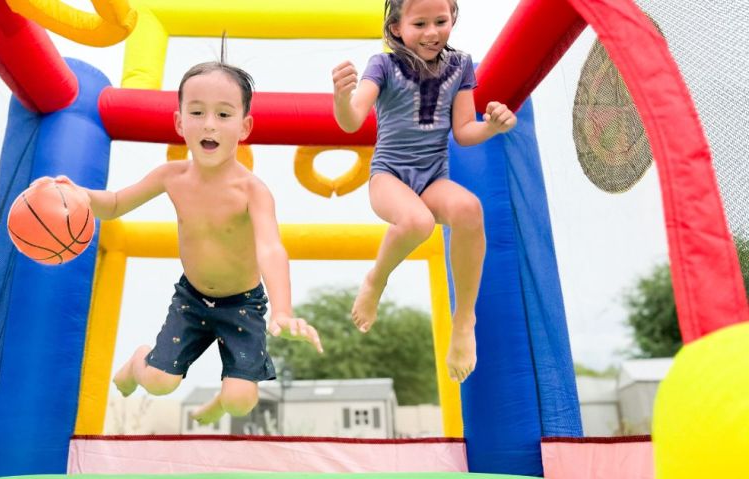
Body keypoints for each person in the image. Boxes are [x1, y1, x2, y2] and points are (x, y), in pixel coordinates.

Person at [40, 60, 323, 425]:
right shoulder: (171, 177)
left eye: (223, 114)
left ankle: (222, 402)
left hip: (242, 304)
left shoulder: (252, 191)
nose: (209, 123)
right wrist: (79, 194)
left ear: (244, 126)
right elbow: (114, 204)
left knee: (240, 402)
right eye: (197, 112)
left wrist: (283, 310)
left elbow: (271, 248)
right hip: (191, 299)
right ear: (179, 122)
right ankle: (140, 360)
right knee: (159, 383)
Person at [331, 0, 516, 383]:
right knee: (415, 222)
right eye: (420, 23)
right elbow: (351, 122)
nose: (432, 32)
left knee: (469, 208)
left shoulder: (460, 66)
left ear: (452, 20)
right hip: (389, 177)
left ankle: (464, 320)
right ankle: (375, 280)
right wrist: (340, 96)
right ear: (397, 28)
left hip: (433, 176)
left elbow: (464, 132)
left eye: (440, 21)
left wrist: (493, 127)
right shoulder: (382, 65)